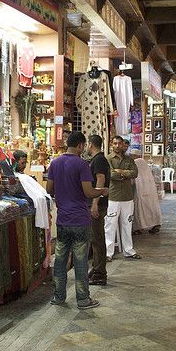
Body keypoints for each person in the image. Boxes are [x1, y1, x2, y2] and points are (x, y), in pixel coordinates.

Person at [46, 132, 108, 309]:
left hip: (63, 219)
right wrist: (102, 191)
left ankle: (58, 297)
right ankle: (82, 299)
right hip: (80, 219)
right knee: (80, 260)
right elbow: (89, 192)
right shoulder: (82, 164)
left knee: (60, 259)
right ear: (80, 146)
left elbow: (49, 189)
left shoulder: (55, 163)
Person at [105, 136, 141, 261]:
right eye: (115, 143)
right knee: (110, 225)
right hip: (113, 196)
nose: (117, 146)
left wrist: (120, 172)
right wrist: (125, 173)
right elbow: (110, 175)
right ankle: (108, 253)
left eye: (119, 143)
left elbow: (135, 173)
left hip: (127, 197)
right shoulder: (107, 159)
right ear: (111, 144)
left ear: (123, 145)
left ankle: (129, 250)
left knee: (127, 224)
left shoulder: (129, 159)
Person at [87, 135, 110, 286]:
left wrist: (95, 203)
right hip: (98, 203)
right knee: (95, 238)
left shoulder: (99, 160)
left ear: (90, 145)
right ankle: (96, 269)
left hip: (99, 204)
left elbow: (100, 180)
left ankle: (100, 273)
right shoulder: (98, 159)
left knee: (97, 239)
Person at [131, 151, 162, 235]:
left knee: (141, 210)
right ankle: (156, 224)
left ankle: (139, 227)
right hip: (150, 192)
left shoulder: (136, 163)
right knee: (152, 208)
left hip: (140, 192)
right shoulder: (144, 165)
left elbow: (132, 181)